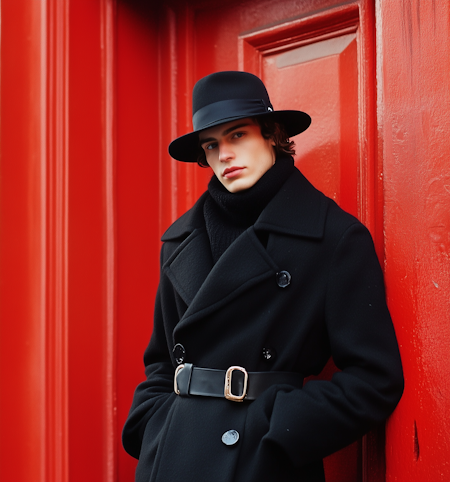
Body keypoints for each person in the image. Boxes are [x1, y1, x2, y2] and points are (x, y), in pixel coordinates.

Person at [122, 71, 404, 482]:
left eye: (237, 135)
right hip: (175, 455)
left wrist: (276, 427)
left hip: (262, 463)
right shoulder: (180, 241)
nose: (224, 155)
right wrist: (153, 425)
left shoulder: (333, 236)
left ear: (272, 134)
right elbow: (161, 362)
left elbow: (373, 379)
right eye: (212, 145)